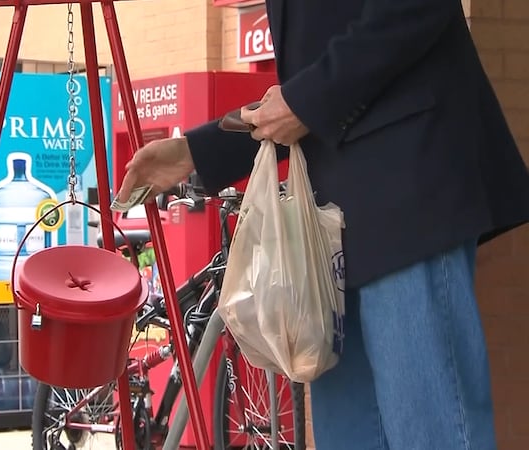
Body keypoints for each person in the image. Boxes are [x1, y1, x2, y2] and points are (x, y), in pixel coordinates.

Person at [116, 1, 529, 449]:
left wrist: (305, 103)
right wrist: (197, 152)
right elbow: (307, 86)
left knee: (434, 434)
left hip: (406, 202)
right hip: (332, 236)